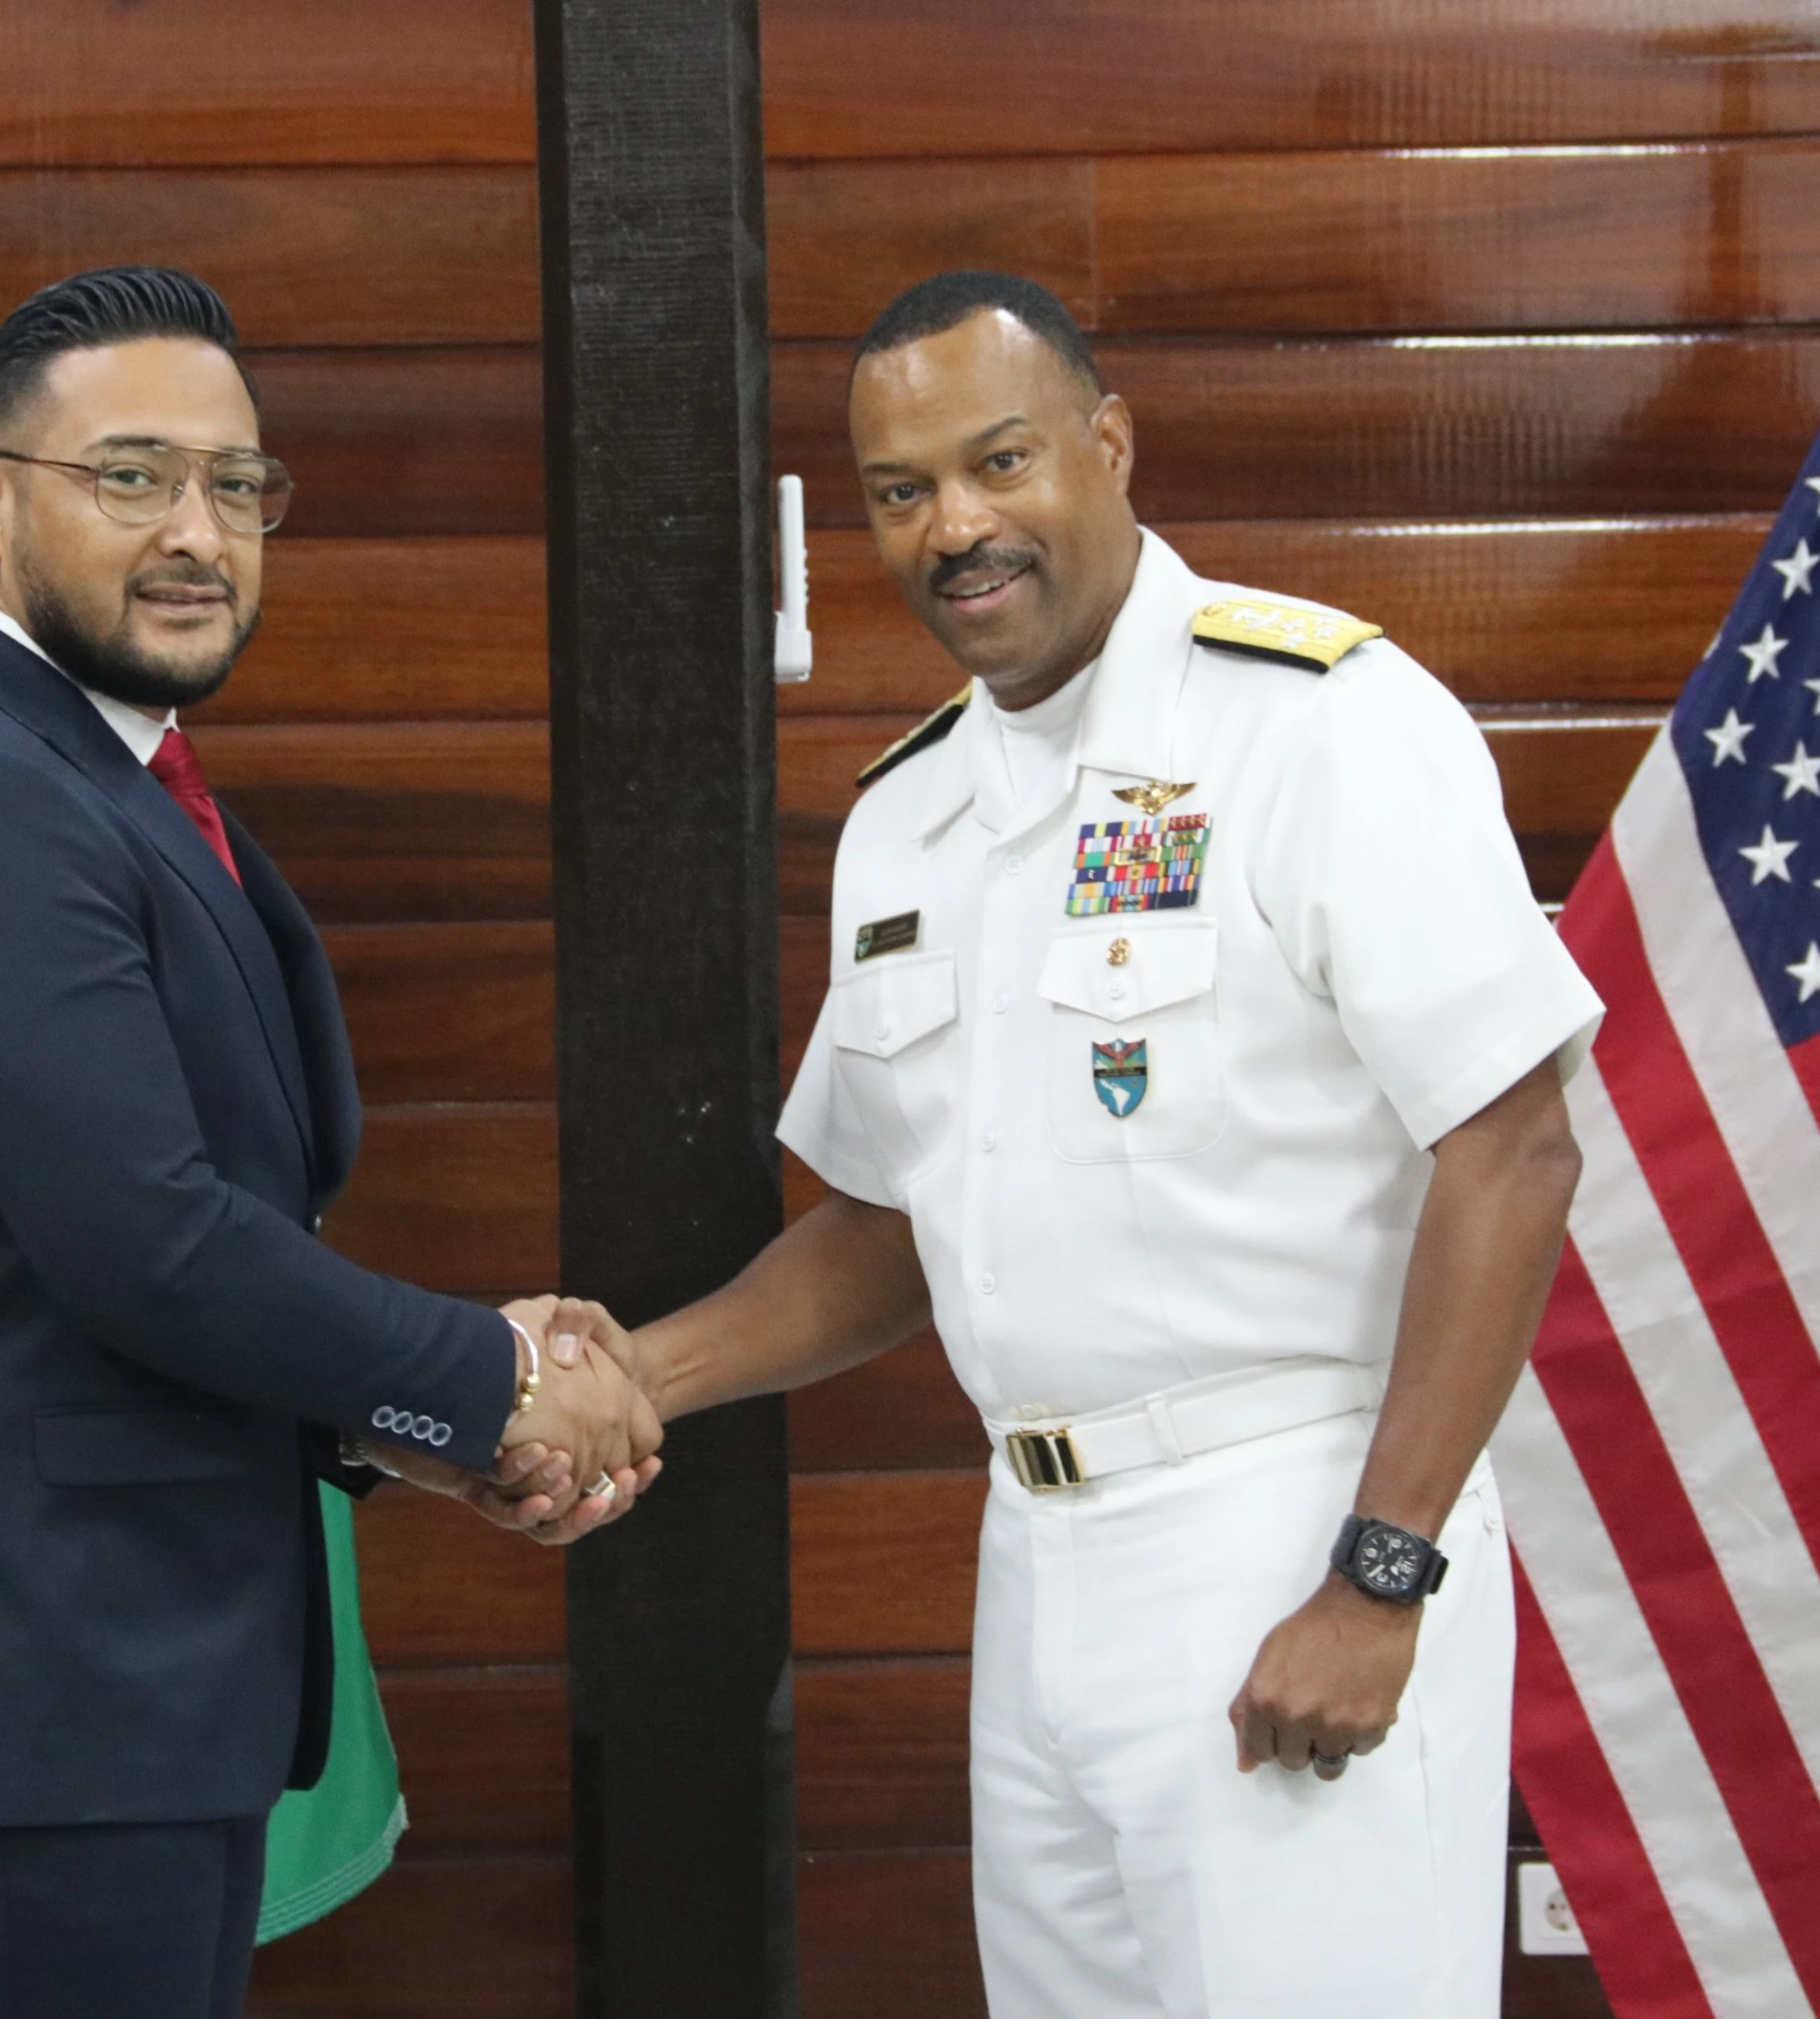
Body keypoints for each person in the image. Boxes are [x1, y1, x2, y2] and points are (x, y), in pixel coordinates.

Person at [551, 271, 1602, 2016]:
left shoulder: (1319, 722)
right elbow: (899, 1225)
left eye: (1000, 459)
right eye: (901, 491)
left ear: (1108, 445)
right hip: (1036, 1562)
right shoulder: (910, 818)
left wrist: (1382, 1570)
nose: (955, 525)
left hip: (1293, 1522)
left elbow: (1516, 1145)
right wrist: (631, 1373)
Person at [0, 266, 656, 2019]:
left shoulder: (112, 780)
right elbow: (149, 1242)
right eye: (135, 476)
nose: (199, 532)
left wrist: (422, 1427)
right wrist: (489, 1374)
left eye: (240, 487)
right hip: (29, 1706)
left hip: (110, 1701)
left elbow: (162, 1251)